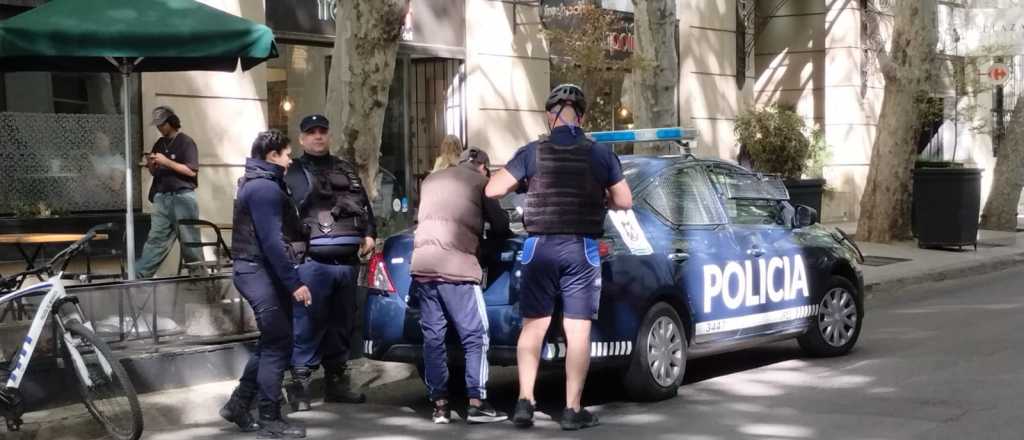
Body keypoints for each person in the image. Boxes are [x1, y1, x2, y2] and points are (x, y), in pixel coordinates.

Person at [485, 84, 633, 431]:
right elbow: (624, 200)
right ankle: (571, 409)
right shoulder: (599, 153)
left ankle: (524, 400)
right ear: (581, 116)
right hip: (581, 248)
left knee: (533, 325)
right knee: (577, 330)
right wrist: (603, 198)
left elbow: (492, 189)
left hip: (539, 246)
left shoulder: (532, 151)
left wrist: (523, 185)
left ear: (549, 116)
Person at [220, 130, 311, 438]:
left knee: (271, 340)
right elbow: (272, 242)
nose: (290, 160)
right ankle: (270, 416)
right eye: (286, 154)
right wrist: (295, 282)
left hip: (259, 270)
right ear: (272, 156)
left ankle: (238, 405)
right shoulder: (264, 189)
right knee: (279, 342)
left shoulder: (262, 183)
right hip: (257, 271)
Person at [411, 147, 511, 425]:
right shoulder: (481, 182)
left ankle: (440, 406)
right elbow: (501, 225)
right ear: (483, 167)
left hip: (423, 265)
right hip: (457, 268)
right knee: (475, 335)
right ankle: (477, 403)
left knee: (433, 338)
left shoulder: (431, 179)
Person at [282, 114, 376, 410]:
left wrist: (370, 234)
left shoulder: (345, 169)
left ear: (329, 135)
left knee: (341, 325)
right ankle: (300, 387)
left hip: (347, 263)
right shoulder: (293, 172)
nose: (318, 136)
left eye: (322, 131)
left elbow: (364, 205)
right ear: (301, 139)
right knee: (306, 326)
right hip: (312, 263)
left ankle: (337, 382)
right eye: (311, 132)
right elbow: (284, 215)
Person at [135, 106, 202, 278]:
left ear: (172, 122)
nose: (159, 128)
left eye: (162, 124)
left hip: (182, 196)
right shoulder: (159, 143)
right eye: (157, 125)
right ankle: (140, 277)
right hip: (162, 196)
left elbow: (192, 171)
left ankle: (200, 279)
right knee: (155, 240)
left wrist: (166, 161)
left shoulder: (186, 142)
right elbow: (155, 172)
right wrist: (151, 163)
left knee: (189, 240)